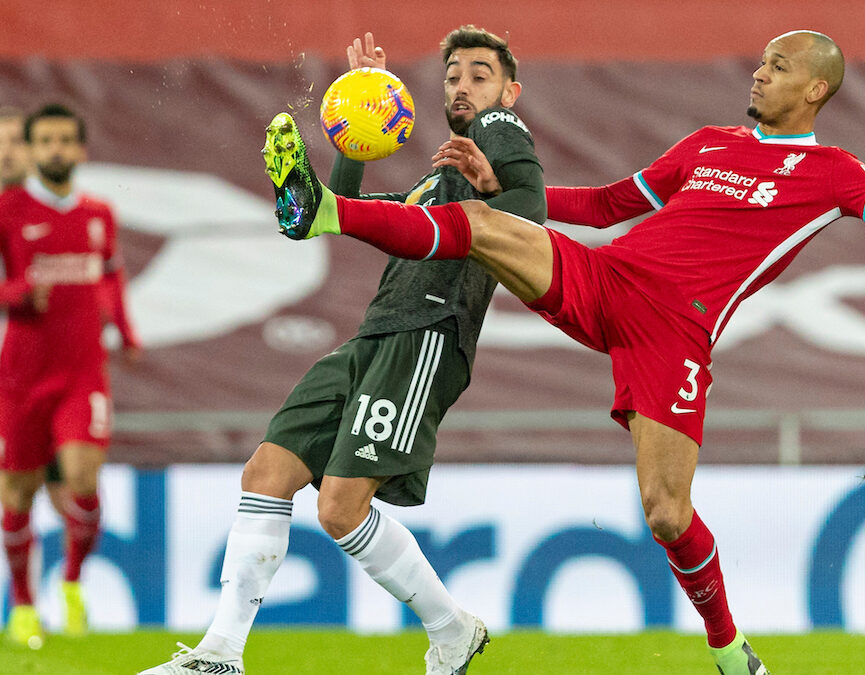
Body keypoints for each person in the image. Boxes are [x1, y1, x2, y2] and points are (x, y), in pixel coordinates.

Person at [264, 30, 865, 673]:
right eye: (761, 60)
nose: (760, 71)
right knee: (488, 226)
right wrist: (501, 184)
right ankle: (326, 210)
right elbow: (607, 206)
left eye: (779, 66)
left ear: (815, 92)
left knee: (666, 514)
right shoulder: (707, 144)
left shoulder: (831, 173)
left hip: (675, 331)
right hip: (608, 278)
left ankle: (731, 650)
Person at [140, 26, 544, 675]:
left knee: (340, 508)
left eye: (479, 74)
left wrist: (494, 181)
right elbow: (344, 213)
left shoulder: (501, 135)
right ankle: (219, 653)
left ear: (509, 91)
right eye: (453, 76)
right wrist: (349, 138)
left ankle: (452, 628)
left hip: (426, 335)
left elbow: (531, 212)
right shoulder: (435, 179)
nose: (463, 86)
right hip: (374, 334)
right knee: (267, 473)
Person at [0, 103, 141, 648]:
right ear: (32, 151)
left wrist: (126, 331)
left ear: (80, 150)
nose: (56, 149)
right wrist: (15, 295)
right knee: (18, 491)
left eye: (66, 140)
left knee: (83, 480)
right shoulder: (8, 209)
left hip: (83, 371)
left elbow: (111, 276)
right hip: (22, 374)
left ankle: (75, 581)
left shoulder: (99, 213)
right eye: (46, 141)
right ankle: (24, 605)